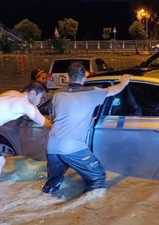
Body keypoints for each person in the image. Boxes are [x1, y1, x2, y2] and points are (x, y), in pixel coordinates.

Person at [42, 62, 132, 194]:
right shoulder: (92, 93)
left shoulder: (57, 94)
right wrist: (124, 82)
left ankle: (45, 204)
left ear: (67, 78)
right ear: (84, 77)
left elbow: (53, 119)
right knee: (98, 177)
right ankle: (88, 208)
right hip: (72, 147)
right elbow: (114, 90)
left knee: (53, 184)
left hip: (52, 146)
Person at [0, 81, 52, 186]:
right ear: (32, 93)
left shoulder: (12, 92)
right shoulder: (25, 105)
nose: (42, 100)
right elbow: (47, 124)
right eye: (41, 97)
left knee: (0, 162)